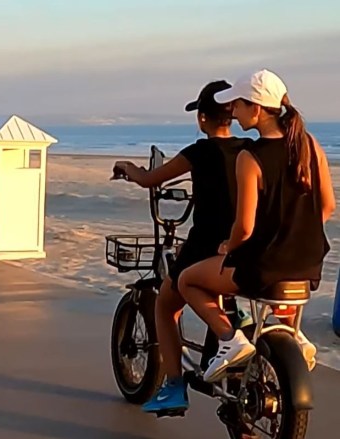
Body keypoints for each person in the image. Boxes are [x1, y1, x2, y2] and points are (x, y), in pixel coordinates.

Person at [178, 69, 334, 384]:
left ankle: (229, 340)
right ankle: (293, 334)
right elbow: (327, 206)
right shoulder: (309, 144)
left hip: (265, 266)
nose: (233, 112)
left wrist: (229, 245)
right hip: (308, 263)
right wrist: (291, 232)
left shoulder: (250, 157)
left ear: (257, 109)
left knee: (187, 280)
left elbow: (245, 227)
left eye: (238, 104)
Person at [113, 80, 251, 413]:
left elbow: (150, 179)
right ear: (232, 114)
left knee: (165, 305)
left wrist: (128, 169)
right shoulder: (249, 148)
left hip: (207, 244)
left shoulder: (199, 152)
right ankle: (236, 325)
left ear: (202, 118)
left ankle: (174, 385)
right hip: (245, 245)